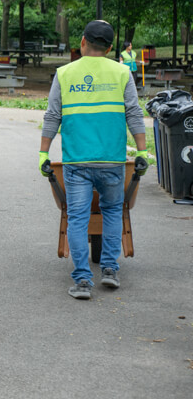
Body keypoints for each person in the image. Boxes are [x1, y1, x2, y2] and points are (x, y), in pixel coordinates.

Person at [38, 19, 148, 300]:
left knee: (77, 218)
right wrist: (142, 151)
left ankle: (83, 281)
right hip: (112, 161)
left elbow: (52, 116)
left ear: (83, 42)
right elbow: (134, 114)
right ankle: (110, 270)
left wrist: (43, 153)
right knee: (112, 212)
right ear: (111, 47)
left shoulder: (64, 73)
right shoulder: (123, 72)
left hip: (77, 162)